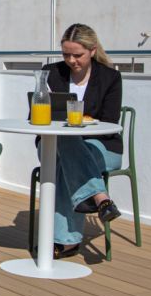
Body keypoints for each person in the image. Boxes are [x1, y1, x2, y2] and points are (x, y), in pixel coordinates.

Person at [41, 23, 123, 259]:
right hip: (53, 145)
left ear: (92, 50)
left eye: (77, 55)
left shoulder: (110, 77)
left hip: (101, 147)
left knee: (65, 160)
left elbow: (110, 122)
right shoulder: (51, 73)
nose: (71, 60)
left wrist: (79, 127)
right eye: (66, 54)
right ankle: (100, 197)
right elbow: (34, 115)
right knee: (64, 143)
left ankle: (66, 242)